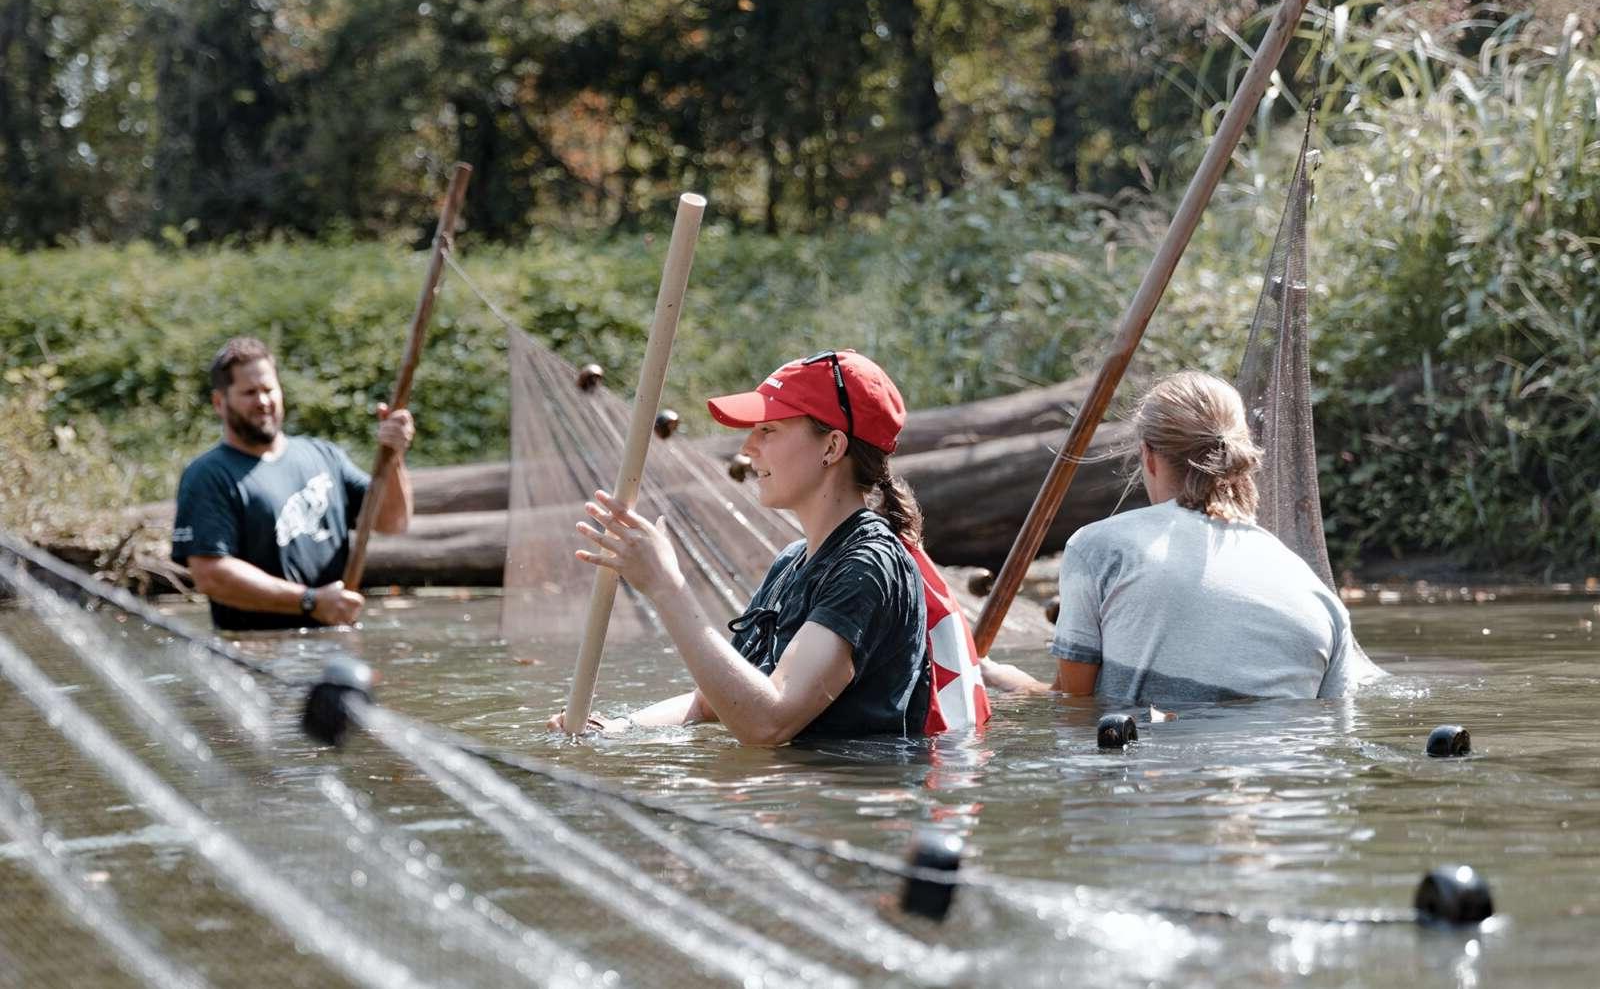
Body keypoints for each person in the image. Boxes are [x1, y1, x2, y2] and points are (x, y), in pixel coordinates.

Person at [548, 350, 944, 744]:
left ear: (831, 447)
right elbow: (713, 703)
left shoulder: (869, 564)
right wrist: (618, 731)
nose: (748, 447)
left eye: (768, 430)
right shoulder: (793, 562)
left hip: (844, 799)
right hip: (787, 799)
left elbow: (768, 723)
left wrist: (667, 588)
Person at [982, 371, 1378, 703]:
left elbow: (1074, 708)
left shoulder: (1098, 549)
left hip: (1151, 785)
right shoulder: (1318, 596)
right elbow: (1333, 734)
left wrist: (1007, 679)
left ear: (1148, 455)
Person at [171, 336, 415, 630]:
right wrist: (309, 601)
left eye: (268, 389)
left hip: (335, 641)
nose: (263, 402)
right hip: (256, 655)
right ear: (220, 402)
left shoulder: (324, 456)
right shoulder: (209, 475)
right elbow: (210, 574)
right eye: (249, 393)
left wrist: (393, 457)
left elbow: (392, 522)